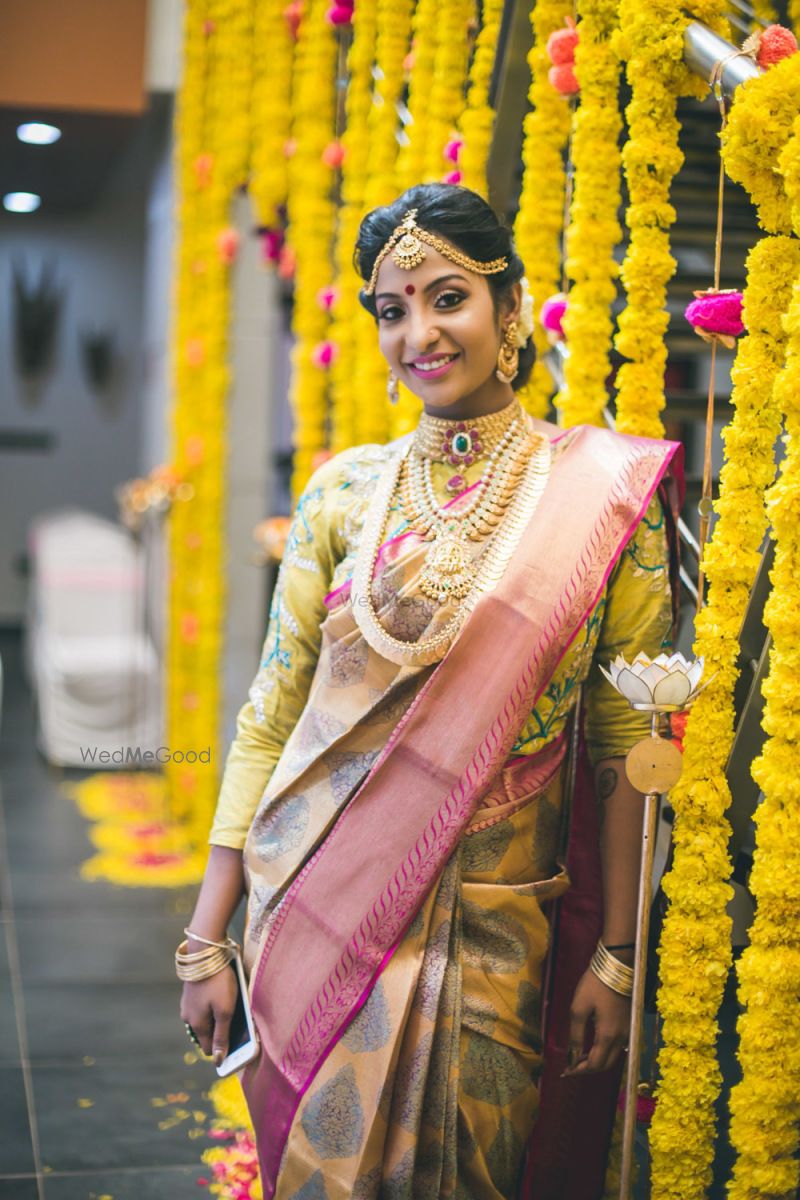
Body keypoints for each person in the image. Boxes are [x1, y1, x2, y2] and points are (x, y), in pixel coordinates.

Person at [179, 182, 681, 1200]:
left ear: (508, 304)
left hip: (498, 925)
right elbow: (271, 713)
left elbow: (624, 744)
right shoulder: (343, 493)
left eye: (446, 297)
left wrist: (618, 958)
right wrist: (204, 938)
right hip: (316, 906)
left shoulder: (596, 497)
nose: (419, 332)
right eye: (391, 309)